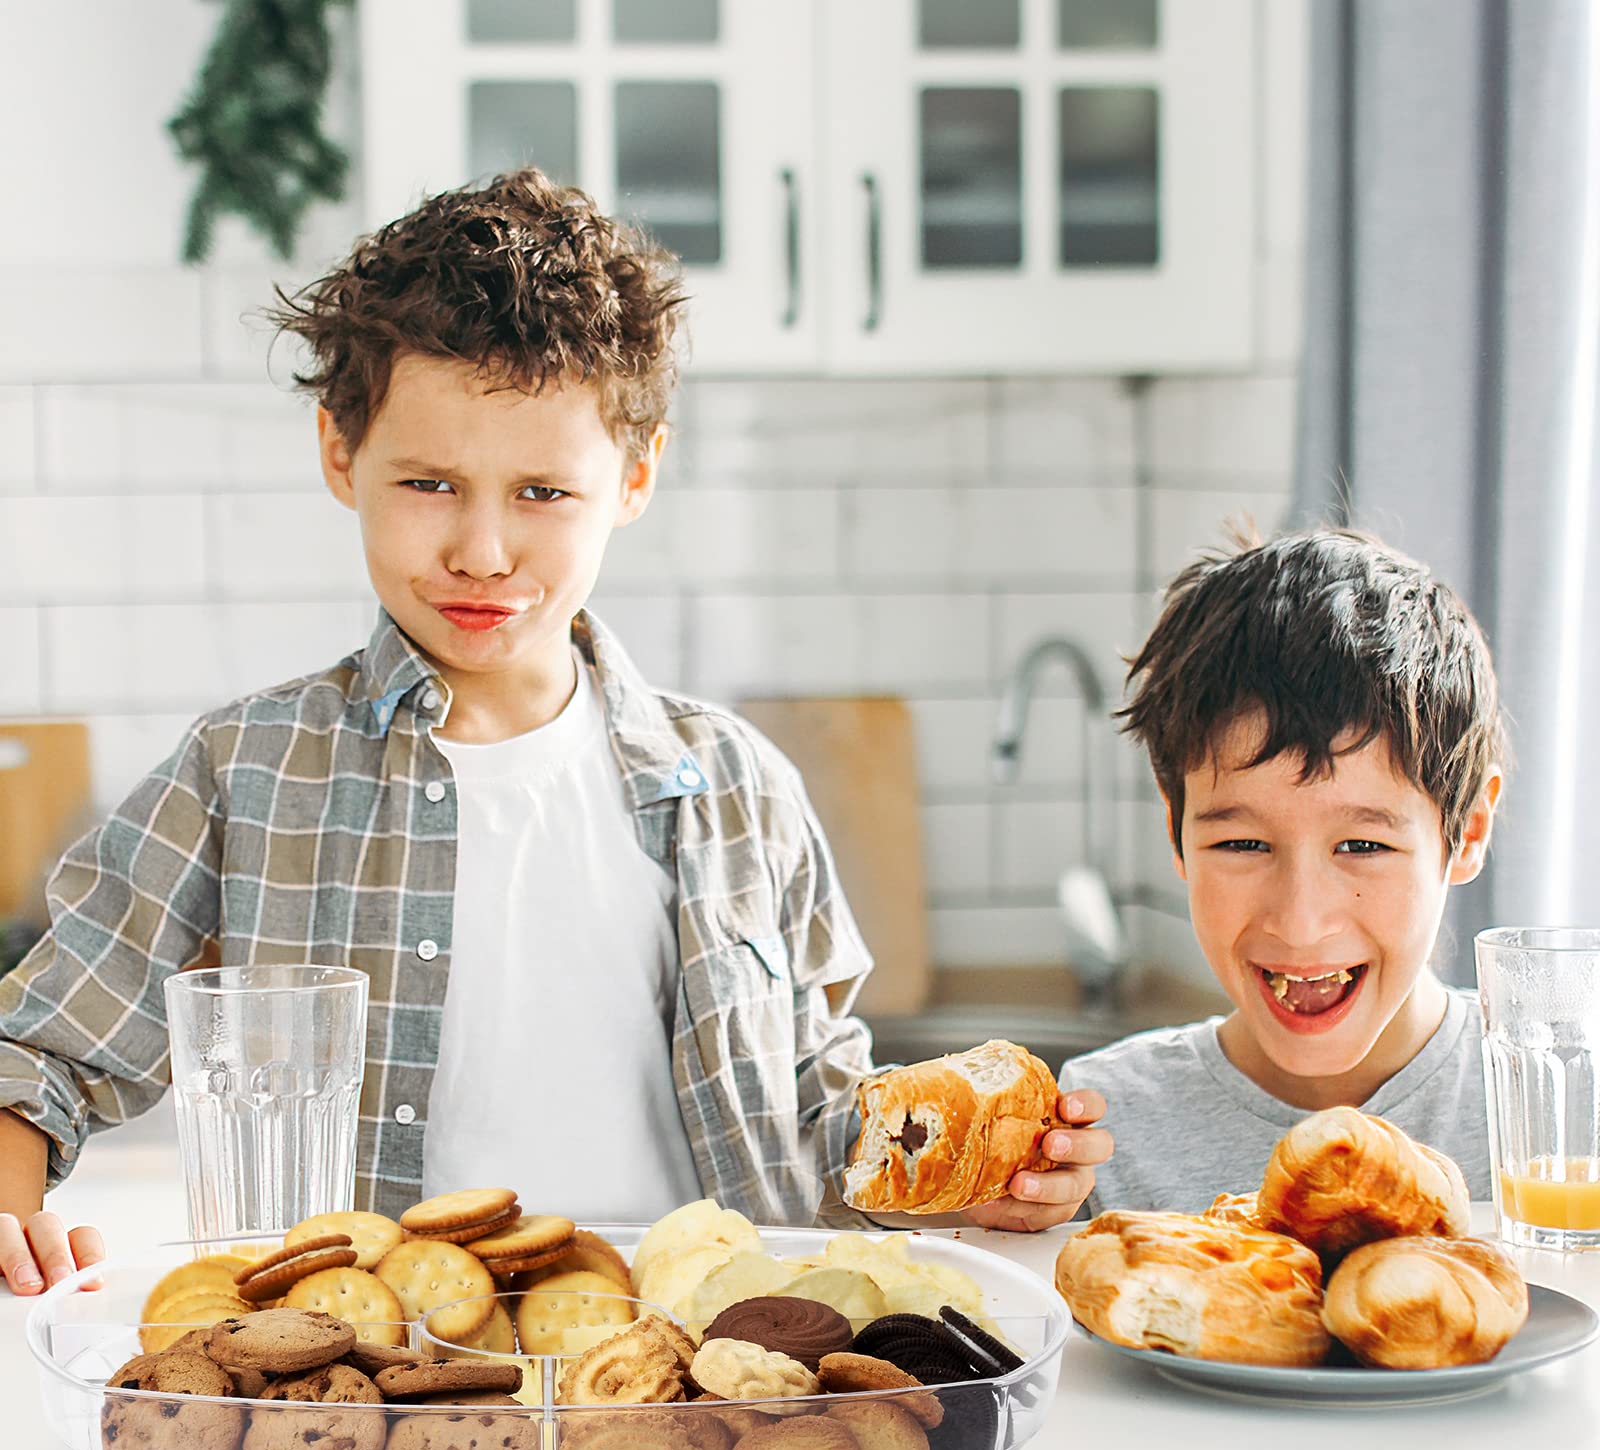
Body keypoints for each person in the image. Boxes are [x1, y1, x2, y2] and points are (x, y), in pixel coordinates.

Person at [0, 168, 1109, 1295]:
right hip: (377, 1376)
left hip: (694, 1369)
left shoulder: (737, 788)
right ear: (340, 453)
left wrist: (972, 1179)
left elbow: (818, 1132)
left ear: (635, 475)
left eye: (542, 492)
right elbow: (38, 1054)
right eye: (429, 483)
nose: (482, 552)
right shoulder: (244, 773)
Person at [1061, 525, 1504, 1215]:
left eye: (1362, 847)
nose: (1300, 924)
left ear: (1468, 831)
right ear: (1176, 830)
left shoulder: (1562, 1108)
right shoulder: (1094, 1134)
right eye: (1243, 844)